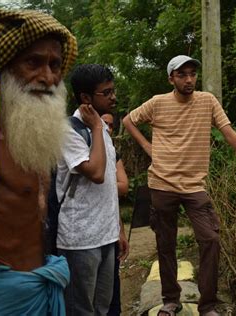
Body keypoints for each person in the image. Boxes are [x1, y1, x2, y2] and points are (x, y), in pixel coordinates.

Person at [122, 55, 236, 316]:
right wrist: (147, 146)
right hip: (161, 183)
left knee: (211, 240)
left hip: (195, 187)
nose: (189, 79)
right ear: (171, 78)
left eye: (192, 74)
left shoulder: (207, 101)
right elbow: (128, 120)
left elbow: (229, 133)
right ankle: (171, 300)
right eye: (182, 74)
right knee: (166, 244)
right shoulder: (158, 103)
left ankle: (207, 306)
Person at [0, 8, 77, 315]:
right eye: (33, 62)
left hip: (40, 282)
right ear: (4, 66)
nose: (48, 77)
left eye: (55, 65)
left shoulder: (36, 134)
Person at [56, 64, 121, 315]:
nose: (114, 97)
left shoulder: (103, 128)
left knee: (102, 307)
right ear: (85, 98)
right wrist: (95, 127)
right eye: (107, 92)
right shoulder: (68, 130)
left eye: (113, 90)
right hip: (80, 239)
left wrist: (118, 229)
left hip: (106, 234)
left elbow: (109, 182)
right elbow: (95, 173)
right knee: (80, 309)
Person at [101, 112, 130, 316]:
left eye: (111, 126)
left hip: (110, 224)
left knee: (111, 286)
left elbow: (123, 187)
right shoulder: (79, 145)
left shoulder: (113, 153)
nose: (109, 129)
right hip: (83, 235)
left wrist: (120, 229)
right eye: (104, 124)